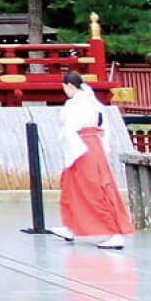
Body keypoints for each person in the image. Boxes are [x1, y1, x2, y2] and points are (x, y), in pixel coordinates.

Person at [52, 70, 135, 250]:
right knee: (73, 187)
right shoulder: (92, 102)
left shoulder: (75, 104)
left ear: (69, 86)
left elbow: (69, 128)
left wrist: (73, 151)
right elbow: (103, 127)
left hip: (82, 147)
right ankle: (71, 227)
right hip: (92, 144)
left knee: (95, 189)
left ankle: (115, 233)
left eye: (65, 87)